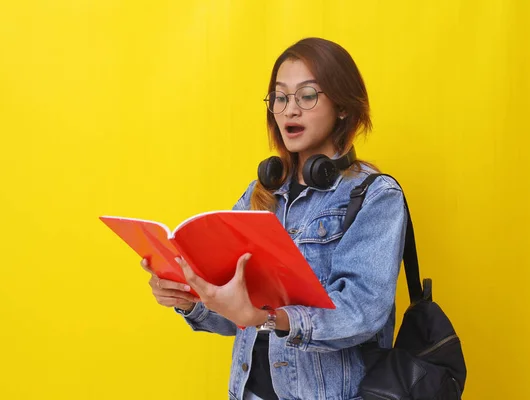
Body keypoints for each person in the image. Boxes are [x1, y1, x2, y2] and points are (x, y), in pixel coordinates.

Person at [140, 37, 408, 400]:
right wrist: (188, 297)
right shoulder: (258, 194)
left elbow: (361, 312)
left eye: (307, 95)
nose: (289, 110)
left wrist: (269, 318)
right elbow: (232, 316)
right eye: (280, 98)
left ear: (343, 107)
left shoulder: (375, 196)